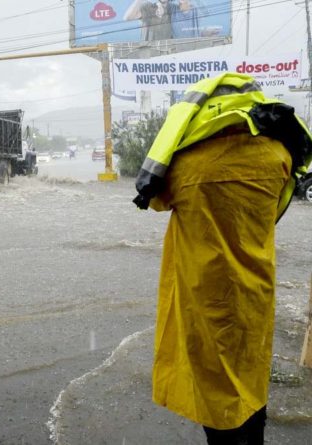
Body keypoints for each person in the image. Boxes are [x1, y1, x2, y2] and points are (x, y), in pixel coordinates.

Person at [133, 73, 312, 444]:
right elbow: (277, 208)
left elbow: (156, 201)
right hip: (254, 291)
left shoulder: (184, 165)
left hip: (204, 294)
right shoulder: (278, 156)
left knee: (214, 384)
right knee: (251, 370)